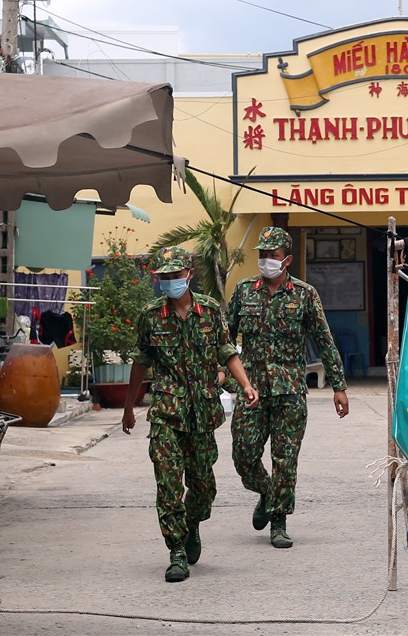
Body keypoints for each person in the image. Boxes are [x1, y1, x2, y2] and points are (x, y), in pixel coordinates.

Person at [122, 246, 259, 583]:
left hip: (201, 413)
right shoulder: (151, 315)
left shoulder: (211, 311)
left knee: (202, 487)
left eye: (175, 275)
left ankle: (192, 523)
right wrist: (129, 407)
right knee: (167, 485)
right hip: (167, 411)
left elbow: (227, 351)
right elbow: (141, 361)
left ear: (189, 275)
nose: (169, 282)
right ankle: (177, 551)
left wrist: (246, 385)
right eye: (164, 277)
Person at [226, 227, 349, 549]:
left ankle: (278, 522)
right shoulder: (243, 291)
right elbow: (224, 340)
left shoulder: (305, 294)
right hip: (251, 390)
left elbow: (324, 340)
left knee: (285, 459)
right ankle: (267, 493)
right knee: (243, 455)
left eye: (272, 255)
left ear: (287, 259)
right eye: (262, 255)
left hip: (290, 391)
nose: (266, 260)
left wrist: (339, 386)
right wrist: (220, 375)